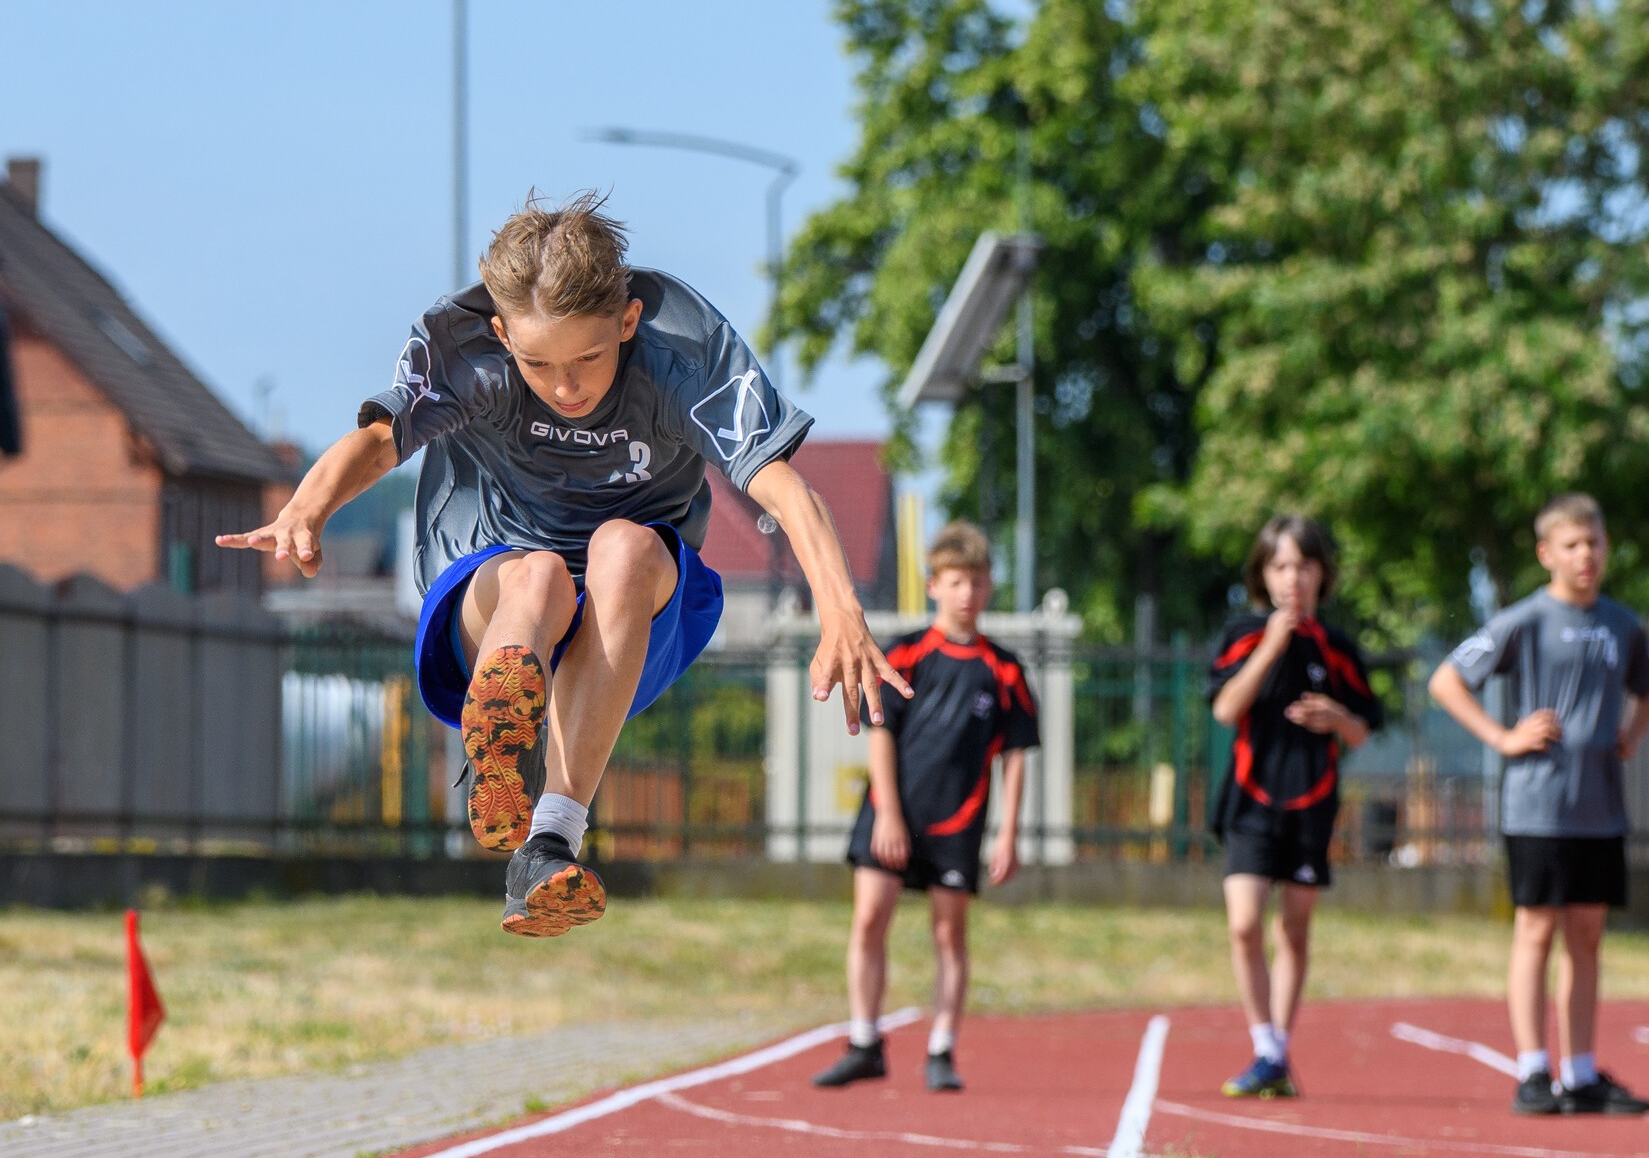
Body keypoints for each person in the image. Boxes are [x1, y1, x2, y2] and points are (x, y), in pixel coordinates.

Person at [219, 193, 906, 936]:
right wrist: (306, 508)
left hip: (632, 615)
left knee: (623, 544)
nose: (566, 387)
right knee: (539, 573)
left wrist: (842, 611)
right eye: (538, 364)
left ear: (628, 322)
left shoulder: (682, 357)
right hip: (495, 593)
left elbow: (783, 485)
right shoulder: (471, 359)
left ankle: (549, 838)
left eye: (588, 359)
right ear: (502, 334)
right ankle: (506, 737)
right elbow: (383, 440)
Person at [1428, 494, 1649, 1116]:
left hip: (1600, 807)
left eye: (1594, 543)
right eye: (1572, 545)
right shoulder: (1525, 619)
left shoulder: (1622, 625)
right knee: (1536, 929)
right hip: (1538, 805)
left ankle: (1580, 1073)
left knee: (1587, 935)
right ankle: (1533, 1070)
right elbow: (1446, 679)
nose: (1586, 555)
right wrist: (1503, 737)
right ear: (1546, 553)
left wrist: (1632, 735)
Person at [812, 521, 1040, 1093]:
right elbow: (880, 731)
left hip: (958, 820)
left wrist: (1009, 833)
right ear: (934, 585)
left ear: (989, 587)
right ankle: (865, 1041)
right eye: (956, 581)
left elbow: (1016, 755)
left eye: (977, 582)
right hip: (891, 812)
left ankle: (941, 1048)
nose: (967, 593)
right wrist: (888, 812)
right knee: (869, 919)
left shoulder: (1005, 668)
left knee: (949, 934)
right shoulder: (906, 653)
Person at [1208, 516, 1382, 1099]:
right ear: (1262, 575)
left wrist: (1337, 718)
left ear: (1321, 574)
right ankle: (1265, 1045)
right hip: (1250, 801)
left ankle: (1276, 1052)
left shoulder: (1337, 648)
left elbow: (1363, 730)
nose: (1293, 578)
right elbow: (1225, 709)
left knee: (1295, 927)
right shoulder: (1242, 634)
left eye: (1304, 566)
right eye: (1280, 566)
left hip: (1311, 803)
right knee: (1243, 924)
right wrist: (1272, 645)